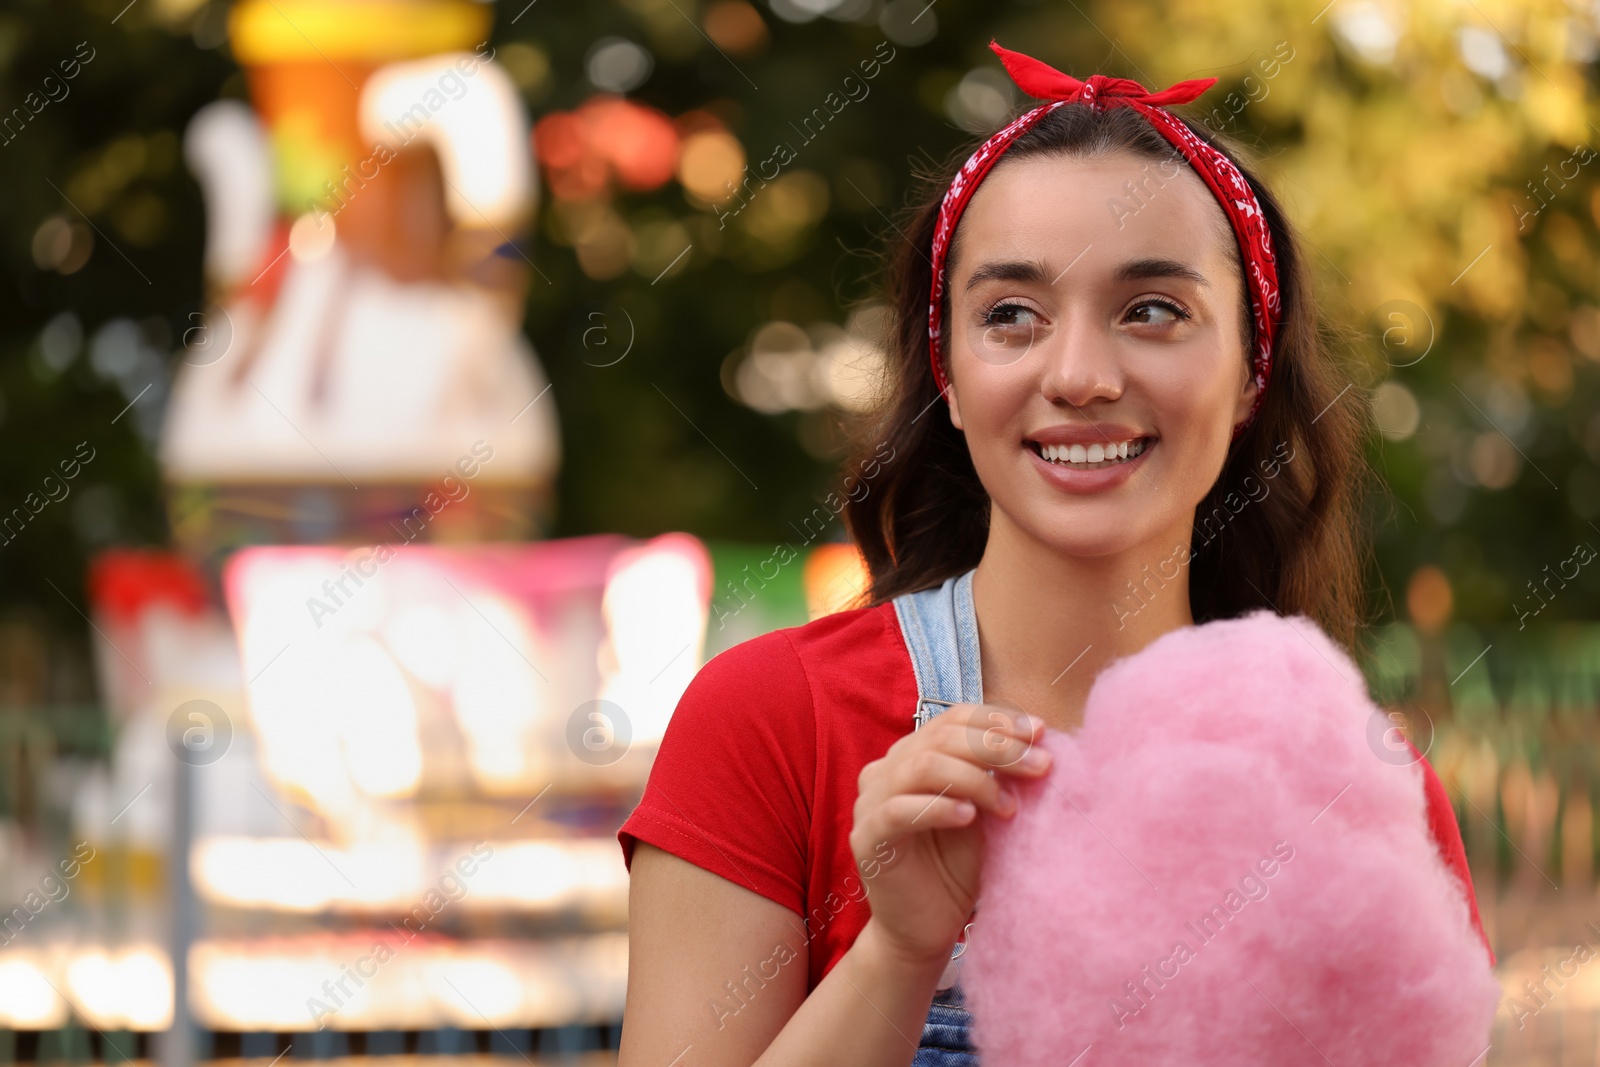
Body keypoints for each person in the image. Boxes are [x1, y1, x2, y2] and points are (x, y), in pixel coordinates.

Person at [615, 42, 1489, 1066]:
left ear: (1252, 367)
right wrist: (898, 950)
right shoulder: (768, 723)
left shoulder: (1346, 782)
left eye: (1152, 310)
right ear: (946, 368)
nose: (1077, 374)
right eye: (1012, 316)